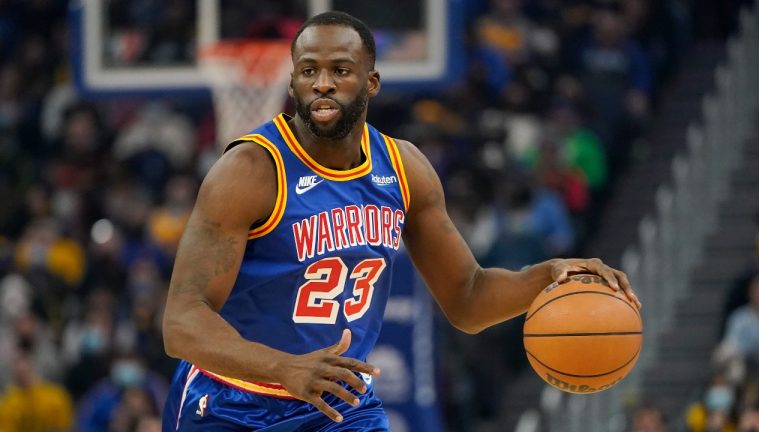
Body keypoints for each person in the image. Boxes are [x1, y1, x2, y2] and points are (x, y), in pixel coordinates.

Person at [161, 11, 640, 431]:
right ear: (292, 83)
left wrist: (545, 277)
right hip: (230, 403)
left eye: (340, 70)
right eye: (308, 71)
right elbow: (182, 322)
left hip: (338, 404)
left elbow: (468, 299)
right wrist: (284, 367)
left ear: (371, 82)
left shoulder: (403, 168)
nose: (322, 83)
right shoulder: (250, 171)